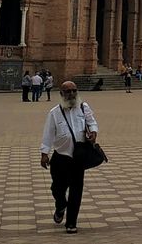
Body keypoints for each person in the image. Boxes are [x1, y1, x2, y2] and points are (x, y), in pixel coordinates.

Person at [40, 81, 99, 235]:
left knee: (76, 190)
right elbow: (48, 133)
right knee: (57, 188)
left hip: (78, 157)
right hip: (60, 157)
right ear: (61, 94)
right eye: (68, 91)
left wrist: (93, 132)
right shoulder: (54, 112)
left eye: (74, 91)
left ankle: (71, 222)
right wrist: (44, 153)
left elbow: (92, 122)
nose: (72, 94)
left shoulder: (83, 107)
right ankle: (60, 205)